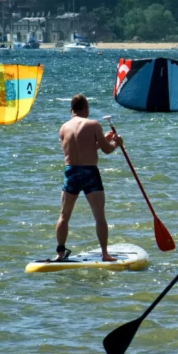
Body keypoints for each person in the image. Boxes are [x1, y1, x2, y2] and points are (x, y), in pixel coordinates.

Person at [54, 94, 123, 262]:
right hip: (90, 173)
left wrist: (100, 142)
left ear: (71, 110)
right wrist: (116, 143)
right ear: (86, 109)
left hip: (71, 172)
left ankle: (60, 253)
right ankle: (105, 254)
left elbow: (81, 150)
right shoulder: (93, 124)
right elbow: (107, 150)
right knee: (99, 215)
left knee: (64, 215)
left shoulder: (63, 128)